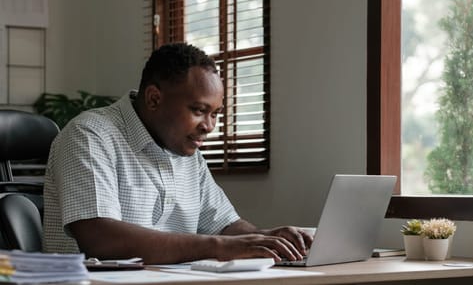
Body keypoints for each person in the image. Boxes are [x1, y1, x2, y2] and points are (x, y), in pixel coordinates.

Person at [43, 43, 313, 264]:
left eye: (215, 114)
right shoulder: (90, 136)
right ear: (153, 99)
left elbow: (222, 225)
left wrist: (267, 239)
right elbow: (99, 240)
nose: (209, 126)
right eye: (198, 110)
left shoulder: (185, 150)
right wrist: (218, 247)